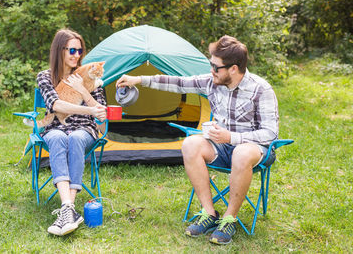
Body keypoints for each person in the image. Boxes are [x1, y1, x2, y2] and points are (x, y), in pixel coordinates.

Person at [116, 35, 278, 245]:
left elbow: (270, 133)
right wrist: (139, 80)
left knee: (241, 152)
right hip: (221, 147)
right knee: (190, 144)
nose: (211, 70)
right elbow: (179, 83)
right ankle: (209, 213)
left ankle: (230, 218)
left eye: (216, 67)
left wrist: (233, 137)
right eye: (211, 64)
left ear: (233, 69)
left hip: (254, 150)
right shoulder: (212, 82)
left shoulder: (260, 89)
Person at [37, 28, 107, 236]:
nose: (77, 55)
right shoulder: (45, 76)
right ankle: (69, 208)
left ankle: (67, 210)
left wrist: (84, 89)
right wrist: (88, 109)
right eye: (72, 50)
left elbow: (101, 116)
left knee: (76, 137)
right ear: (60, 51)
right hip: (56, 126)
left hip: (84, 128)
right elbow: (55, 104)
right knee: (58, 137)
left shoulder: (91, 75)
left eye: (80, 50)